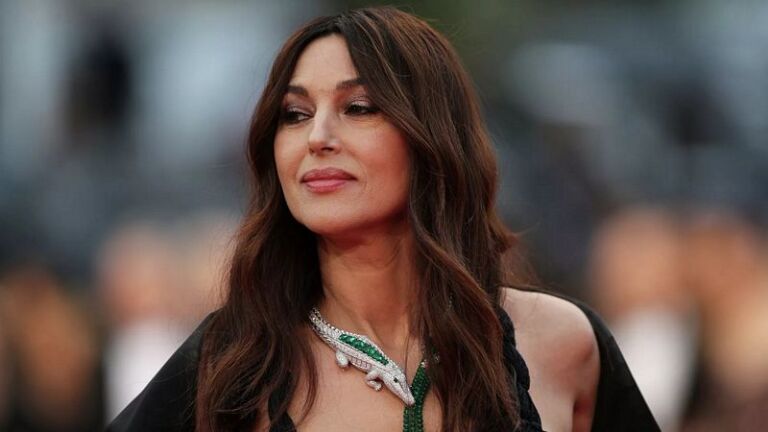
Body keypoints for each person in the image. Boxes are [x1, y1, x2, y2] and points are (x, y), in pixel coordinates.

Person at [107, 6, 658, 432]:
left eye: (358, 108)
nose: (318, 137)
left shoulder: (563, 344)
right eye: (295, 115)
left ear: (431, 138)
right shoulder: (230, 365)